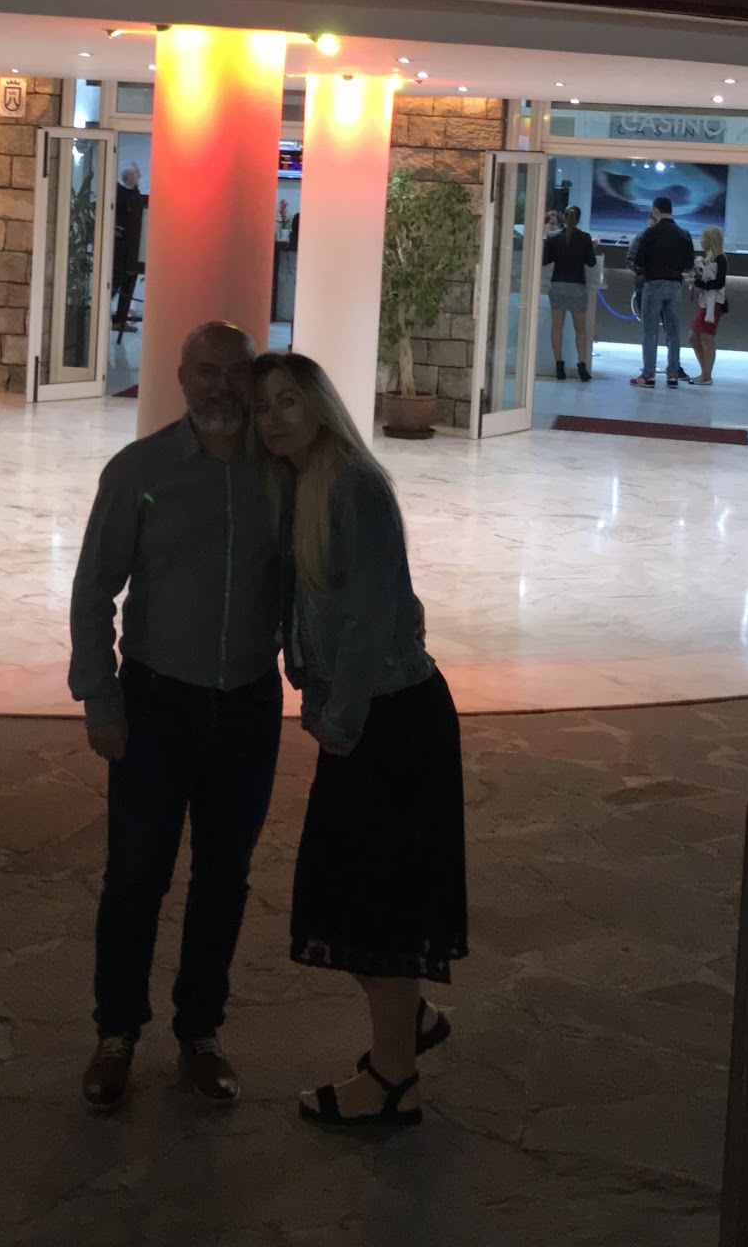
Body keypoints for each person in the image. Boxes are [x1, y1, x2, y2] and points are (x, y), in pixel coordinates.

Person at [68, 322, 285, 1112]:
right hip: (157, 704)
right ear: (181, 375)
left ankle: (201, 1033)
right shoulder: (140, 470)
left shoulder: (281, 473)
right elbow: (94, 589)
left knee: (224, 878)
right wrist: (101, 699)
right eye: (206, 371)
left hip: (249, 706)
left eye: (236, 372)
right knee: (135, 876)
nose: (221, 386)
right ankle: (116, 1033)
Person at [252, 351, 467, 1130]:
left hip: (392, 718)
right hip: (369, 714)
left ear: (320, 406)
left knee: (374, 904)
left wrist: (340, 716)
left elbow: (373, 616)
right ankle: (409, 1023)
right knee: (353, 894)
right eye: (262, 407)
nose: (273, 419)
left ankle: (392, 1080)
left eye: (288, 401)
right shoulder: (304, 485)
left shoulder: (354, 486)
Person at [627, 195, 694, 389]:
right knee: (673, 331)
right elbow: (689, 263)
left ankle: (648, 374)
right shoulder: (683, 234)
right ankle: (672, 373)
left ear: (655, 210)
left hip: (653, 283)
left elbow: (638, 262)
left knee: (649, 331)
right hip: (674, 285)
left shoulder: (649, 234)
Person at [542, 203, 597, 382]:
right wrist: (592, 247)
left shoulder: (553, 237)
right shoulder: (584, 238)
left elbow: (544, 261)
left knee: (557, 327)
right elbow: (591, 263)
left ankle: (559, 366)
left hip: (558, 284)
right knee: (580, 330)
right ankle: (582, 366)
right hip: (577, 286)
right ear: (578, 219)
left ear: (563, 218)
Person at [689, 224, 728, 386]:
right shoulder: (709, 259)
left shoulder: (720, 259)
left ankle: (706, 375)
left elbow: (719, 283)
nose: (701, 241)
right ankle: (705, 373)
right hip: (706, 303)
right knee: (695, 337)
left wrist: (699, 284)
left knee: (706, 337)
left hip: (714, 304)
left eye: (704, 238)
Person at [111, 163, 146, 335]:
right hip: (120, 249)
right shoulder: (119, 193)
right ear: (128, 176)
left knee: (128, 284)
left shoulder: (136, 194)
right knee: (115, 282)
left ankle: (120, 320)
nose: (139, 176)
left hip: (132, 250)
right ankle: (96, 315)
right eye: (136, 173)